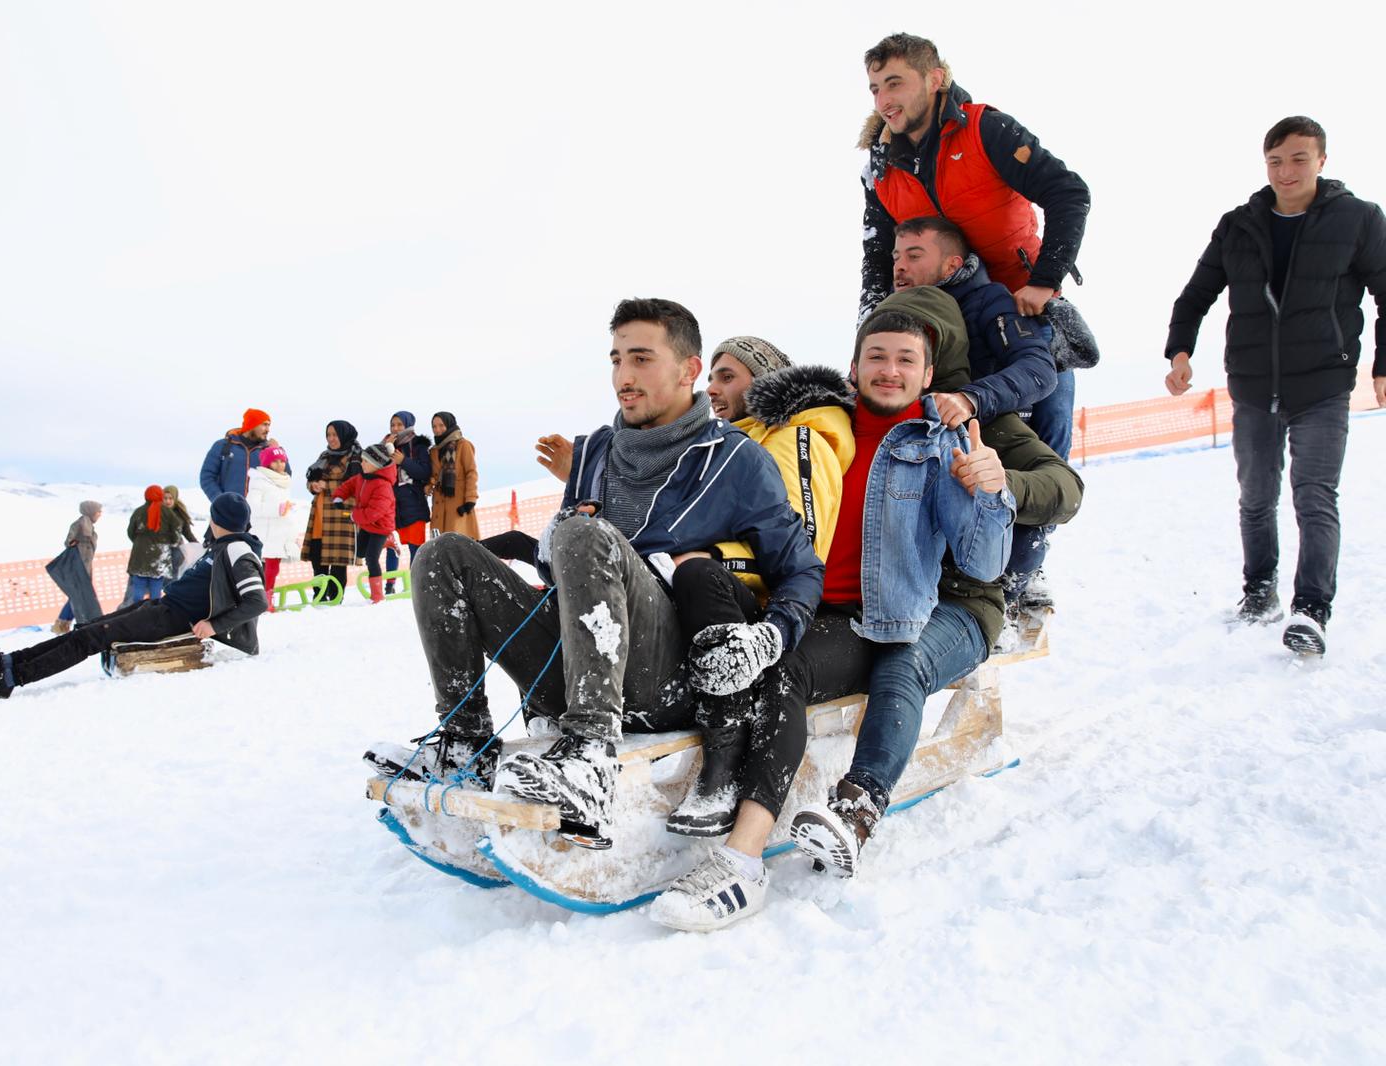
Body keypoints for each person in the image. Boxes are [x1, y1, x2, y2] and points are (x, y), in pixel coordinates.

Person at [651, 290, 1083, 931]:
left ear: (930, 370)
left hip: (931, 610)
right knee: (777, 663)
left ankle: (833, 818)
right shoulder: (828, 428)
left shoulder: (953, 436)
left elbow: (1005, 542)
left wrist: (997, 486)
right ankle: (738, 837)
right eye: (875, 356)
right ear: (852, 368)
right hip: (843, 610)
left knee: (899, 667)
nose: (889, 369)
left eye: (906, 358)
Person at [365, 298, 823, 841]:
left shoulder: (736, 460)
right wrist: (541, 547)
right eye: (615, 360)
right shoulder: (596, 452)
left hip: (663, 677)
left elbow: (801, 571)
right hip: (574, 667)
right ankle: (465, 741)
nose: (623, 378)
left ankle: (589, 757)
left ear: (688, 369)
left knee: (585, 533)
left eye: (641, 359)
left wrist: (769, 637)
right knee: (442, 555)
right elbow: (569, 566)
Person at [1165, 116, 1386, 656]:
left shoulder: (1359, 220)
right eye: (1276, 161)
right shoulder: (1238, 225)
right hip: (1253, 383)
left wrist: (1382, 365)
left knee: (1314, 496)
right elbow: (1195, 295)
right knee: (1256, 497)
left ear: (1322, 161)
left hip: (1324, 384)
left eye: (1298, 159)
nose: (1286, 171)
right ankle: (1260, 590)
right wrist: (1180, 351)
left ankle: (1311, 609)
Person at [658, 336, 855, 836]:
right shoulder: (731, 444)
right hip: (720, 600)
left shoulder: (795, 439)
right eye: (711, 377)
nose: (712, 389)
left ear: (764, 380)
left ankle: (726, 759)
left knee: (696, 572)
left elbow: (804, 549)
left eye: (728, 376)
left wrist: (707, 559)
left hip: (768, 613)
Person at [857, 32, 1096, 394]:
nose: (883, 100)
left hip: (1023, 308)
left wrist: (1045, 281)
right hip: (942, 323)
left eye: (894, 83)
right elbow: (878, 259)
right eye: (875, 89)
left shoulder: (985, 130)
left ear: (935, 79)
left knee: (1047, 420)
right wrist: (869, 332)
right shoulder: (881, 169)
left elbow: (1068, 193)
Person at [889, 215, 1065, 614]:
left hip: (990, 428)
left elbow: (1037, 368)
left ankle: (1016, 586)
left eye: (914, 255)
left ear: (952, 265)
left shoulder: (988, 302)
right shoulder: (892, 314)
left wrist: (971, 399)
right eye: (897, 256)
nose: (900, 265)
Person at [0, 493, 266, 699]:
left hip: (174, 620)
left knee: (91, 638)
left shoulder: (239, 549)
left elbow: (257, 601)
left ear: (217, 519)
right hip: (163, 607)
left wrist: (215, 626)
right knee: (87, 628)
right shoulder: (221, 545)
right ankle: (5, 663)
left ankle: (8, 680)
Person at [303, 421, 362, 604]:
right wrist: (312, 485)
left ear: (345, 435)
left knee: (337, 562)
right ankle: (319, 597)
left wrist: (326, 485)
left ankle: (336, 599)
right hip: (320, 515)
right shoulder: (324, 456)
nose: (331, 439)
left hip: (340, 515)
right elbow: (313, 478)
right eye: (328, 435)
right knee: (317, 558)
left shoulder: (355, 456)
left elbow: (356, 485)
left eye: (335, 434)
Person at [332, 442, 399, 604]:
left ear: (376, 465)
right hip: (367, 525)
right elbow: (349, 485)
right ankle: (387, 543)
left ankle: (377, 595)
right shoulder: (363, 477)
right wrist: (339, 496)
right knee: (360, 553)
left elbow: (373, 513)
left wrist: (355, 516)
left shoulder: (384, 486)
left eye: (365, 461)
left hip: (381, 527)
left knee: (371, 558)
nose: (361, 464)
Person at [245, 445, 305, 608]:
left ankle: (267, 599)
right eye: (275, 461)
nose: (280, 465)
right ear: (267, 463)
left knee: (273, 569)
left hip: (280, 534)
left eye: (282, 461)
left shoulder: (284, 482)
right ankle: (259, 600)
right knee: (261, 569)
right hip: (265, 533)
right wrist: (276, 509)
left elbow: (283, 508)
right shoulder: (259, 481)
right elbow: (253, 506)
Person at [382, 411, 432, 594]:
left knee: (415, 547)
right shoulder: (388, 445)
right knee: (391, 546)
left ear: (408, 425)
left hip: (413, 501)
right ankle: (389, 585)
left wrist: (404, 461)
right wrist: (384, 447)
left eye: (399, 425)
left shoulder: (418, 445)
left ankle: (415, 587)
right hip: (392, 503)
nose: (395, 428)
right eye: (392, 424)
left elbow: (425, 472)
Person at [198, 408, 271, 510]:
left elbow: (284, 477)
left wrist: (277, 450)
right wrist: (220, 501)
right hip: (227, 513)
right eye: (264, 424)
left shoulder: (268, 450)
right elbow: (207, 477)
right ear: (252, 425)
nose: (268, 429)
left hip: (258, 516)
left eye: (269, 425)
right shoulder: (222, 446)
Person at [122, 486, 182, 605]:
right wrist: (172, 542)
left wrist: (139, 542)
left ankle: (136, 611)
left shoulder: (139, 511)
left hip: (140, 553)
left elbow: (130, 531)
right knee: (156, 588)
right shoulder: (167, 512)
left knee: (138, 585)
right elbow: (177, 527)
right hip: (161, 554)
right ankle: (153, 612)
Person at [51, 500, 102, 635]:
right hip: (78, 568)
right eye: (98, 511)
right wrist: (74, 545)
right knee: (77, 596)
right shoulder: (80, 524)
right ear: (91, 512)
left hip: (85, 567)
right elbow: (68, 542)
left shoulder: (89, 526)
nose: (100, 514)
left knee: (77, 596)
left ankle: (63, 624)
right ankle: (62, 623)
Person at [428, 411, 480, 539]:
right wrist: (430, 483)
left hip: (458, 503)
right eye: (434, 426)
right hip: (439, 504)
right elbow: (434, 474)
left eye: (441, 425)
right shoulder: (434, 451)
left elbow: (471, 472)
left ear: (449, 425)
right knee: (440, 546)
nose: (437, 429)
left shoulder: (463, 445)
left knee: (460, 544)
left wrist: (470, 500)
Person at [162, 486, 199, 579]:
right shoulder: (158, 512)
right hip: (161, 550)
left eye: (170, 498)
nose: (167, 501)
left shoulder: (179, 513)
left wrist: (199, 546)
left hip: (176, 551)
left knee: (173, 578)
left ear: (175, 498)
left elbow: (187, 533)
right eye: (165, 498)